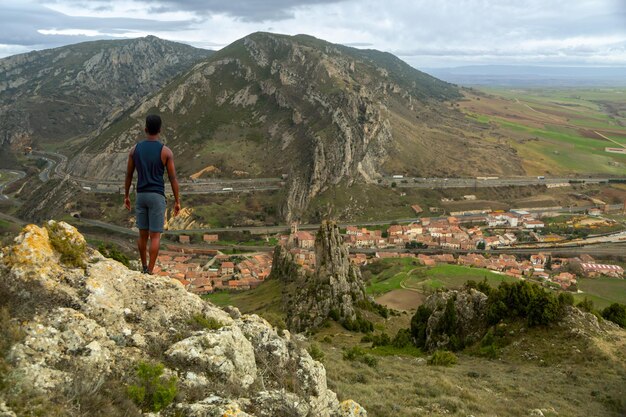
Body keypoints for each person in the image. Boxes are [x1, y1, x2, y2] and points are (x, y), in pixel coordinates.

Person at [124, 114, 181, 274]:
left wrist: (126, 195)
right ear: (160, 130)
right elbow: (173, 178)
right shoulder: (166, 152)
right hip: (157, 196)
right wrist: (177, 201)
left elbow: (128, 175)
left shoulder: (134, 150)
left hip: (141, 195)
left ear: (145, 129)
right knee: (155, 237)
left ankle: (143, 267)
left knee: (142, 235)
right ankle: (150, 270)